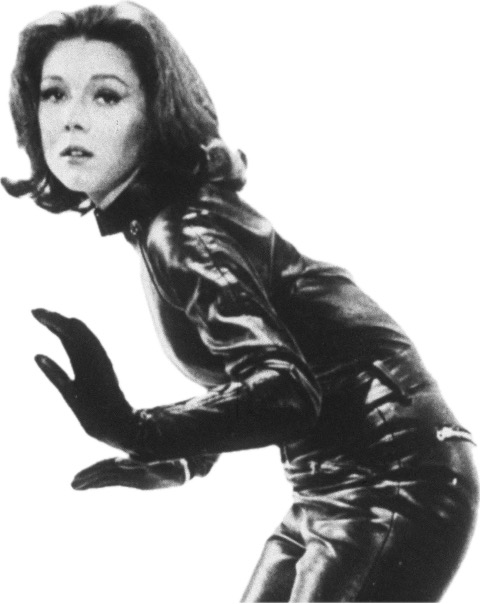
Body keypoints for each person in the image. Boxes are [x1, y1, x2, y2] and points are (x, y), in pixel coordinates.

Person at [2, 2, 478, 601]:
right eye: (53, 94)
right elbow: (262, 368)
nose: (72, 118)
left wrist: (138, 429)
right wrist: (183, 455)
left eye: (106, 96)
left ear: (158, 113)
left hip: (394, 478)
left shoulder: (184, 231)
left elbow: (286, 391)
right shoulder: (165, 221)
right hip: (328, 484)